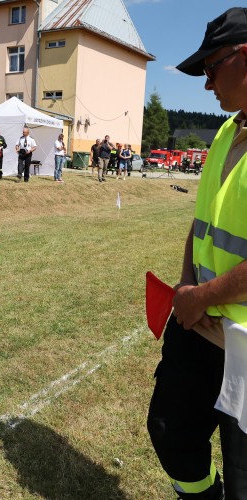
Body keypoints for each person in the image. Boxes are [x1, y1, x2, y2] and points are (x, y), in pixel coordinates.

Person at [147, 8, 247, 499]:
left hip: (245, 346)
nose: (206, 85)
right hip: (198, 325)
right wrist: (188, 289)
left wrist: (203, 294)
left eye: (210, 69)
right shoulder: (228, 132)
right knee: (169, 431)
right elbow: (201, 219)